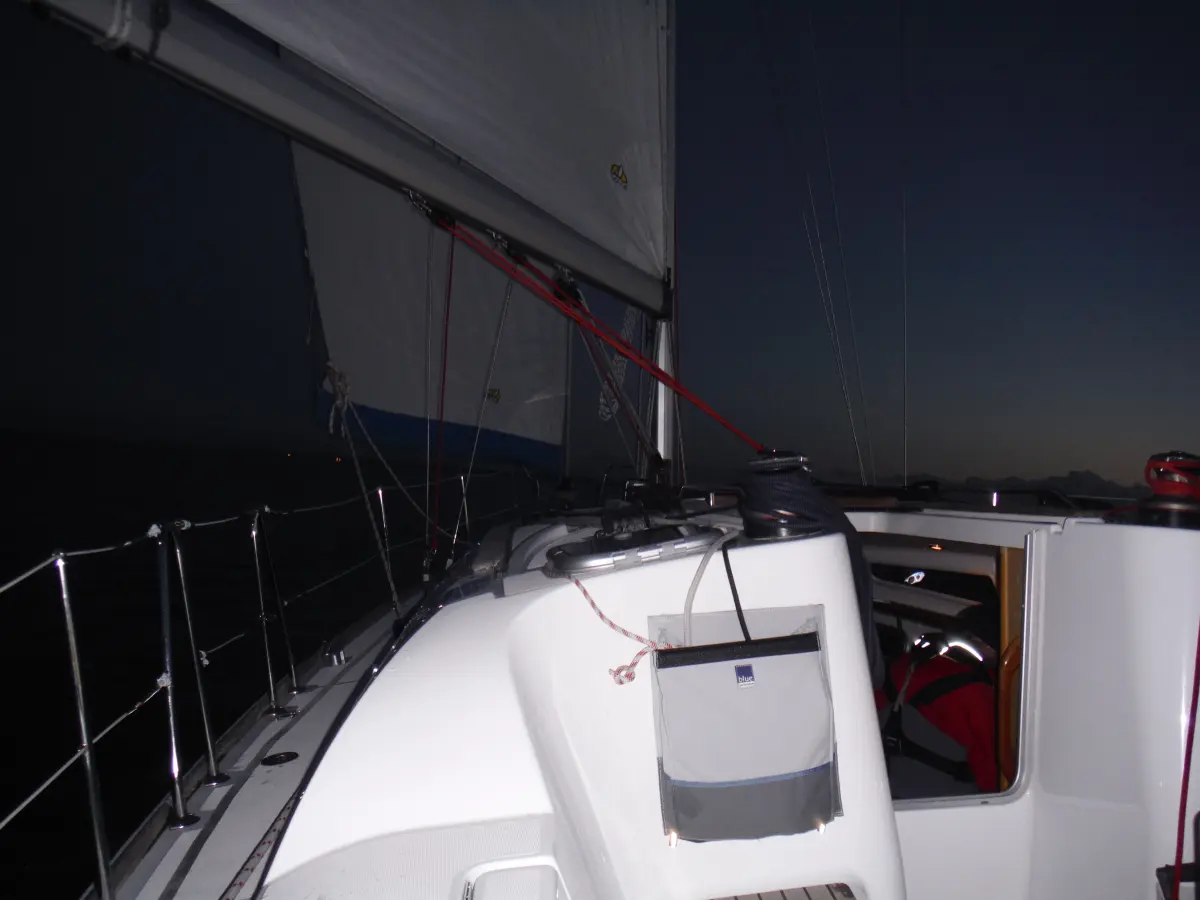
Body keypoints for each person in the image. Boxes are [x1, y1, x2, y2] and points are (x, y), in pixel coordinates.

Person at [876, 604, 999, 799]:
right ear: (987, 644)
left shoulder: (908, 663)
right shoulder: (978, 693)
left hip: (884, 789)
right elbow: (992, 779)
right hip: (945, 802)